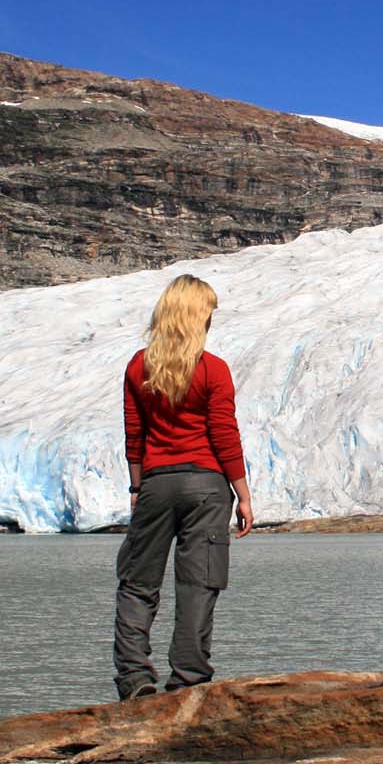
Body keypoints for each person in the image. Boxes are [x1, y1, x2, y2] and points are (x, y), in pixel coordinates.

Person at [114, 273, 254, 701]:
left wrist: (137, 489)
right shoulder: (213, 370)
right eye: (208, 313)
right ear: (196, 317)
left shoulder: (140, 365)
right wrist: (243, 495)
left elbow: (133, 435)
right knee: (199, 584)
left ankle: (135, 679)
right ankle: (187, 682)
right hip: (209, 486)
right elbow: (224, 434)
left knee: (138, 583)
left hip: (157, 483)